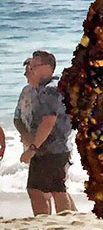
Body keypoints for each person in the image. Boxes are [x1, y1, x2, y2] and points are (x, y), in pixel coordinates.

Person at [13, 50, 77, 216]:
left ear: (47, 67)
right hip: (44, 148)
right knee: (42, 189)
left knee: (53, 190)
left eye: (34, 66)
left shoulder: (51, 89)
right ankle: (49, 220)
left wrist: (32, 148)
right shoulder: (35, 90)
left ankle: (63, 221)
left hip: (54, 148)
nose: (30, 70)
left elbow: (49, 121)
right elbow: (17, 118)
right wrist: (27, 138)